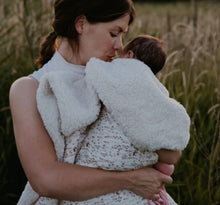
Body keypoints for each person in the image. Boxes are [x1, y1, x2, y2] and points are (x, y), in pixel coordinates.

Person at [9, 0, 183, 204]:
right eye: (113, 33)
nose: (119, 46)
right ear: (81, 24)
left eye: (122, 35)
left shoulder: (120, 80)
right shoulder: (29, 89)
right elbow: (46, 180)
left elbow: (171, 151)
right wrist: (131, 179)